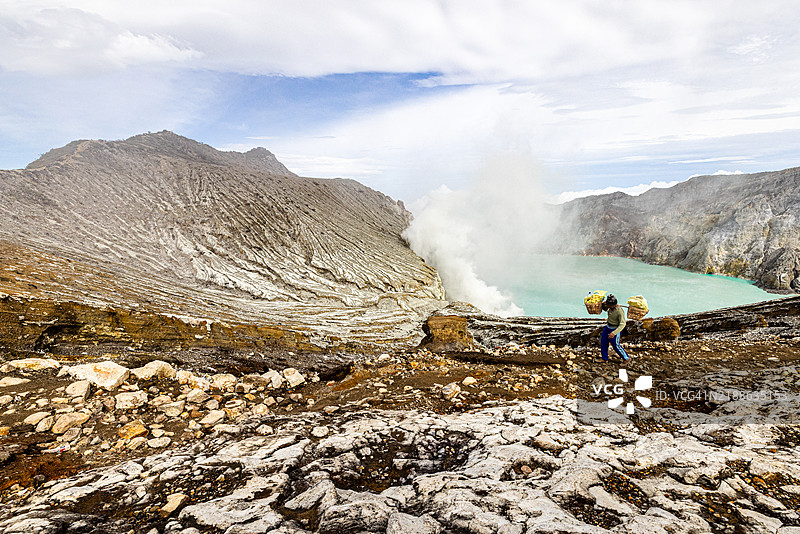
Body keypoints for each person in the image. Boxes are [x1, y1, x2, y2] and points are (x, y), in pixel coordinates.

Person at [601, 294, 629, 362]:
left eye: (609, 305)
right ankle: (604, 358)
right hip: (608, 327)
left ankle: (626, 358)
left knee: (616, 345)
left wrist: (614, 333)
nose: (608, 306)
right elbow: (605, 309)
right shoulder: (610, 308)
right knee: (603, 342)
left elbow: (622, 324)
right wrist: (603, 304)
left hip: (614, 328)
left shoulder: (619, 311)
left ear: (613, 305)